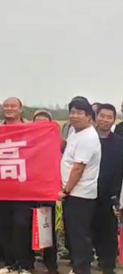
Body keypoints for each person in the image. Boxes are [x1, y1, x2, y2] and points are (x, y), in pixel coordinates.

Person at [0, 97, 38, 274]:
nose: (9, 109)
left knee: (22, 225)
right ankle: (10, 262)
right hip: (1, 186)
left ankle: (25, 264)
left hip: (24, 187)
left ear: (21, 109)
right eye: (6, 106)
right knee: (4, 225)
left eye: (13, 106)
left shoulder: (32, 129)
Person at [59, 98, 101, 274]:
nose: (74, 116)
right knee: (74, 234)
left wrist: (65, 190)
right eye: (72, 112)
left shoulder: (88, 137)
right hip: (74, 194)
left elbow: (78, 168)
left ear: (89, 117)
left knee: (79, 235)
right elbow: (66, 150)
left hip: (80, 195)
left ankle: (82, 269)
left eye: (79, 113)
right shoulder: (75, 132)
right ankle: (78, 268)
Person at [92, 103, 123, 274]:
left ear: (114, 120)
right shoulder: (86, 139)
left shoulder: (119, 143)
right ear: (96, 117)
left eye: (109, 117)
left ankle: (107, 266)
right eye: (102, 116)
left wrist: (117, 196)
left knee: (109, 233)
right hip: (87, 193)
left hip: (110, 194)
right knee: (87, 231)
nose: (105, 120)